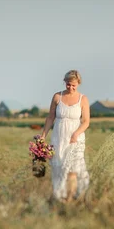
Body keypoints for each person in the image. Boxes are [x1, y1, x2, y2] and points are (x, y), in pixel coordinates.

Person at [40, 70, 90, 202]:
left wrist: (76, 134)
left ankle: (70, 199)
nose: (71, 88)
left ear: (78, 84)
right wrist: (43, 135)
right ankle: (59, 198)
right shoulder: (57, 97)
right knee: (59, 169)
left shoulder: (83, 99)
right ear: (65, 82)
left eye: (74, 85)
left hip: (75, 139)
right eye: (68, 84)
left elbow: (86, 122)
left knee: (73, 169)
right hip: (59, 137)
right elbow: (50, 117)